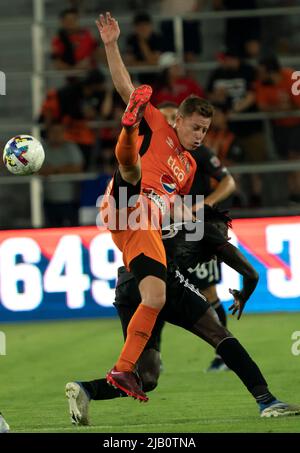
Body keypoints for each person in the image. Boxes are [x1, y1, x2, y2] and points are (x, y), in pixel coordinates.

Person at [65, 205, 300, 425]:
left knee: (147, 377)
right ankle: (267, 401)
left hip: (127, 285)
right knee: (218, 333)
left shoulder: (172, 229)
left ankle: (87, 390)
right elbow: (251, 274)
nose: (225, 237)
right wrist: (243, 295)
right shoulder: (204, 228)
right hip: (162, 280)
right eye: (223, 231)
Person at [93, 11, 212, 402]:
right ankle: (128, 127)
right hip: (130, 203)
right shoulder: (159, 123)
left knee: (155, 299)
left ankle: (123, 370)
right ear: (178, 120)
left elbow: (173, 206)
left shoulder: (190, 167)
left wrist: (191, 216)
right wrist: (111, 44)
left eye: (205, 131)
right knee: (131, 168)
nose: (199, 136)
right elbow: (127, 85)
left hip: (135, 227)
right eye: (195, 127)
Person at [40, 122, 84, 227]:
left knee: (72, 231)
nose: (56, 135)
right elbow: (38, 169)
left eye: (59, 132)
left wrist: (55, 170)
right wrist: (65, 168)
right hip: (49, 200)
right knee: (51, 232)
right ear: (48, 133)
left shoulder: (71, 147)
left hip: (70, 200)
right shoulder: (42, 149)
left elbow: (78, 168)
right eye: (53, 132)